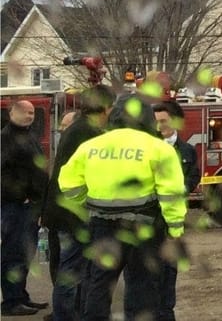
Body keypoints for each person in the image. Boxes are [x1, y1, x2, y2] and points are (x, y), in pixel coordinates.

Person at [58, 94, 187, 321]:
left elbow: (68, 184)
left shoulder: (91, 146)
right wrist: (175, 229)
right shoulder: (159, 149)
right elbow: (171, 193)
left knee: (99, 284)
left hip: (102, 227)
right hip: (143, 229)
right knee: (142, 285)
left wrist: (85, 203)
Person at [44, 87, 115, 321]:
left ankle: (68, 314)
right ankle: (65, 316)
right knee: (71, 271)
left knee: (72, 269)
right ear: (105, 107)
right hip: (72, 213)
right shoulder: (88, 132)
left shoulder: (79, 128)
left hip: (64, 211)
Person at [1, 100, 51, 316]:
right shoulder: (5, 138)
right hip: (15, 206)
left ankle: (20, 296)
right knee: (13, 254)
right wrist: (21, 196)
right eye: (24, 112)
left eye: (31, 112)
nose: (29, 115)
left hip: (30, 206)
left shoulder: (28, 135)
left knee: (24, 254)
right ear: (11, 112)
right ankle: (11, 302)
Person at [153, 100, 199, 320]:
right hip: (150, 220)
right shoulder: (148, 149)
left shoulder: (187, 149)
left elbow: (194, 174)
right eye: (156, 121)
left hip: (174, 221)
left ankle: (166, 313)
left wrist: (183, 188)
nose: (160, 126)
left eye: (164, 121)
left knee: (169, 271)